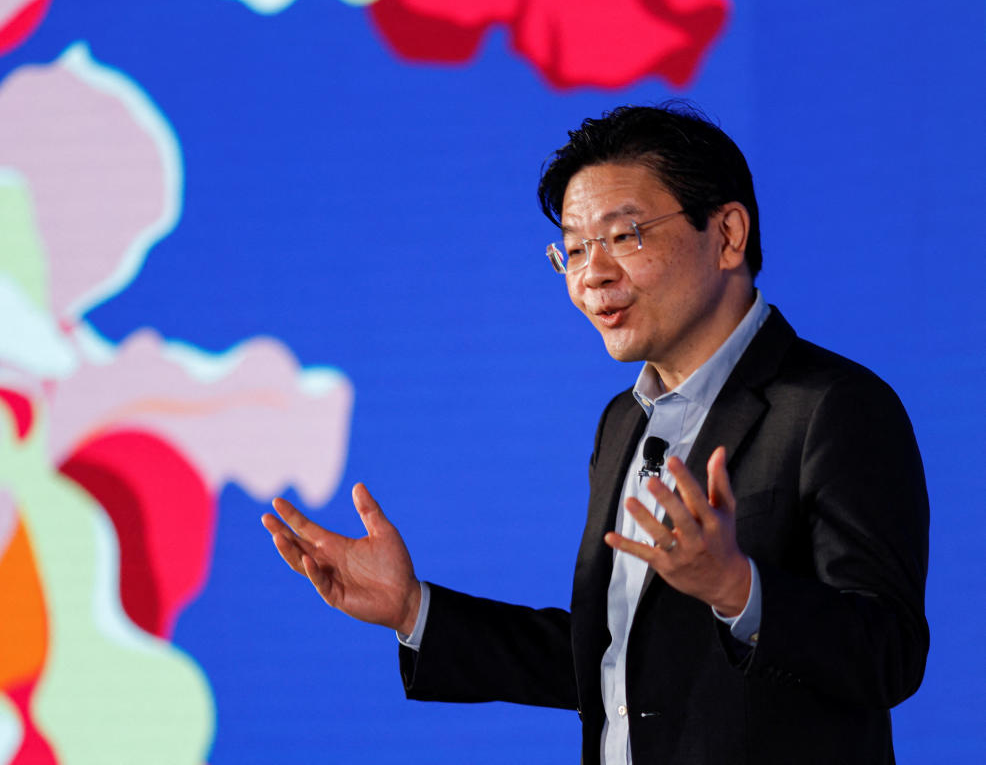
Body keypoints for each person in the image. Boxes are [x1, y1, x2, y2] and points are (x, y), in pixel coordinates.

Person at [261, 103, 928, 765]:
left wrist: (739, 590)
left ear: (727, 234)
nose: (592, 275)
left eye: (626, 235)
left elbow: (889, 654)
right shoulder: (623, 422)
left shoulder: (834, 407)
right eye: (575, 249)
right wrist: (415, 610)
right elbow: (618, 661)